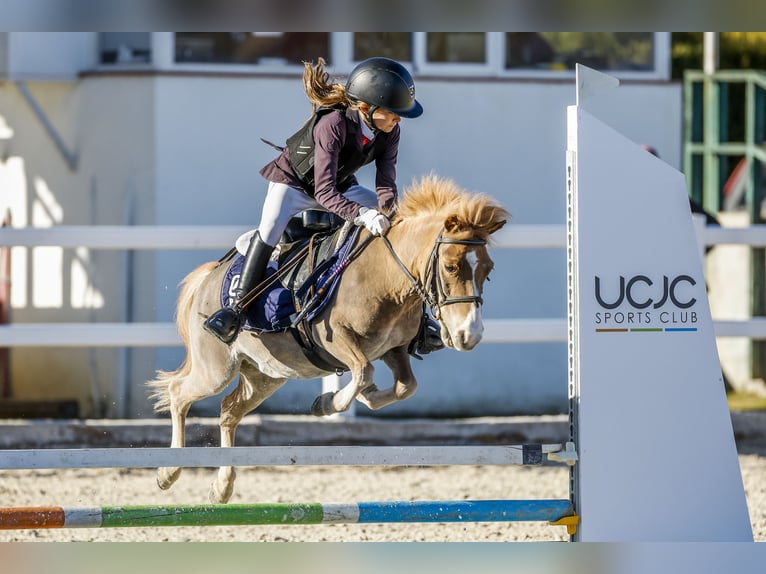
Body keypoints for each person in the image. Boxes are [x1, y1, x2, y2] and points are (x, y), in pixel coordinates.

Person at [204, 56, 444, 355]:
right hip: (293, 184)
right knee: (269, 229)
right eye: (394, 113)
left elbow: (385, 184)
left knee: (395, 223)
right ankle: (236, 310)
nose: (399, 119)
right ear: (367, 108)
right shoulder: (332, 124)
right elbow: (324, 192)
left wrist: (387, 213)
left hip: (338, 186)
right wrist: (361, 215)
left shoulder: (390, 131)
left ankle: (417, 321)